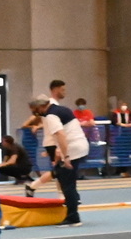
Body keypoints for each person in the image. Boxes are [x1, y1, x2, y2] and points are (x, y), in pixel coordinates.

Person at [26, 96, 86, 224]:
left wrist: (66, 156)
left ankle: (73, 217)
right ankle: (72, 208)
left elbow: (61, 135)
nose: (35, 113)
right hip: (80, 145)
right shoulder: (63, 109)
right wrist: (59, 152)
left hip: (72, 149)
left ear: (40, 106)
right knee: (61, 174)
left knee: (67, 183)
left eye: (35, 109)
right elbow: (66, 133)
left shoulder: (51, 116)